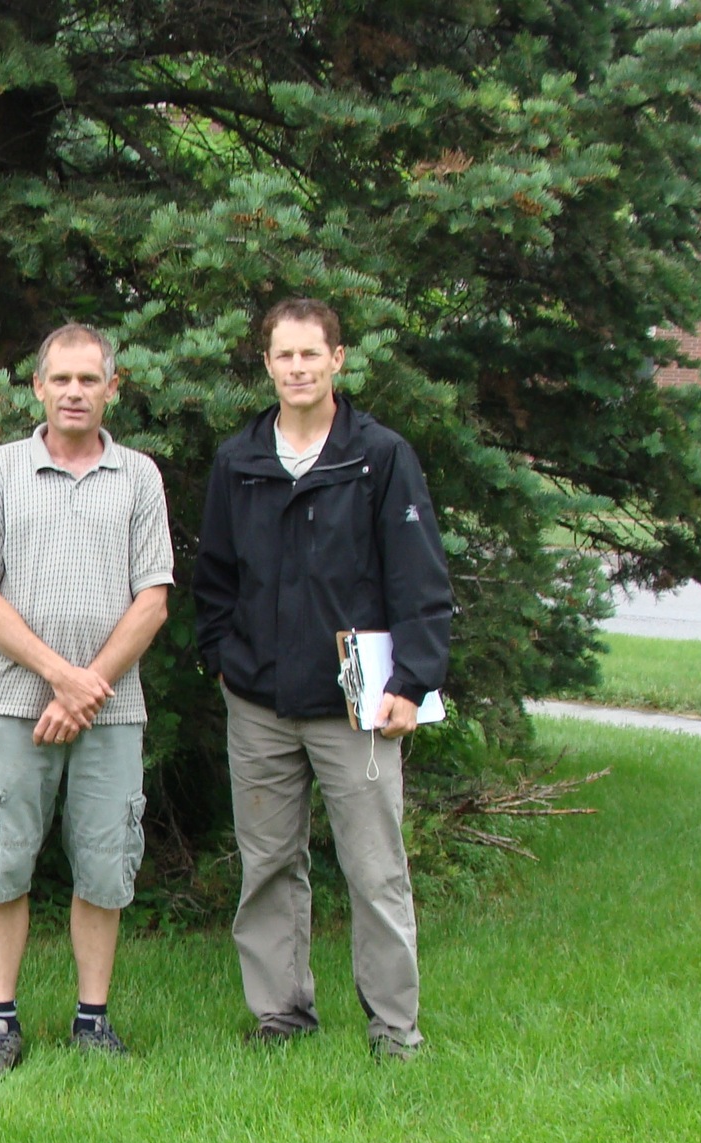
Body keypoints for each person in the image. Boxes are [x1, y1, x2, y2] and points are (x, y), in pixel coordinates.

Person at [193, 298, 451, 1060]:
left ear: (339, 359)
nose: (298, 368)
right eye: (284, 355)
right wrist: (223, 661)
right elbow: (215, 579)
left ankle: (395, 1032)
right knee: (269, 866)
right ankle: (282, 1016)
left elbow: (420, 581)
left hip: (357, 708)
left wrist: (414, 680)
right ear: (266, 365)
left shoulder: (378, 457)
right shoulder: (238, 461)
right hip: (260, 703)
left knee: (376, 873)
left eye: (313, 354)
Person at [0, 322, 173, 1076]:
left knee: (106, 865)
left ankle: (91, 1020)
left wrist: (88, 689)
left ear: (113, 388)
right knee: (2, 861)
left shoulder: (139, 477)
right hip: (16, 703)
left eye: (91, 379)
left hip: (113, 711)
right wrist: (60, 676)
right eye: (62, 379)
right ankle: (2, 1020)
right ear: (38, 388)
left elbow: (152, 602)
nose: (75, 392)